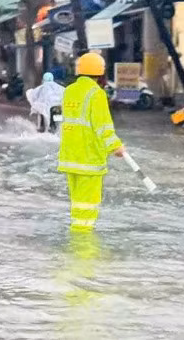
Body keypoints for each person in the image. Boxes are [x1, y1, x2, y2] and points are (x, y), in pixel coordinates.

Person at [58, 53, 125, 233]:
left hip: (69, 158)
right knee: (87, 209)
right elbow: (103, 126)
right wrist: (115, 146)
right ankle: (84, 249)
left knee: (77, 205)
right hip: (89, 160)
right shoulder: (96, 94)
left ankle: (76, 237)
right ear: (100, 73)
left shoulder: (69, 91)